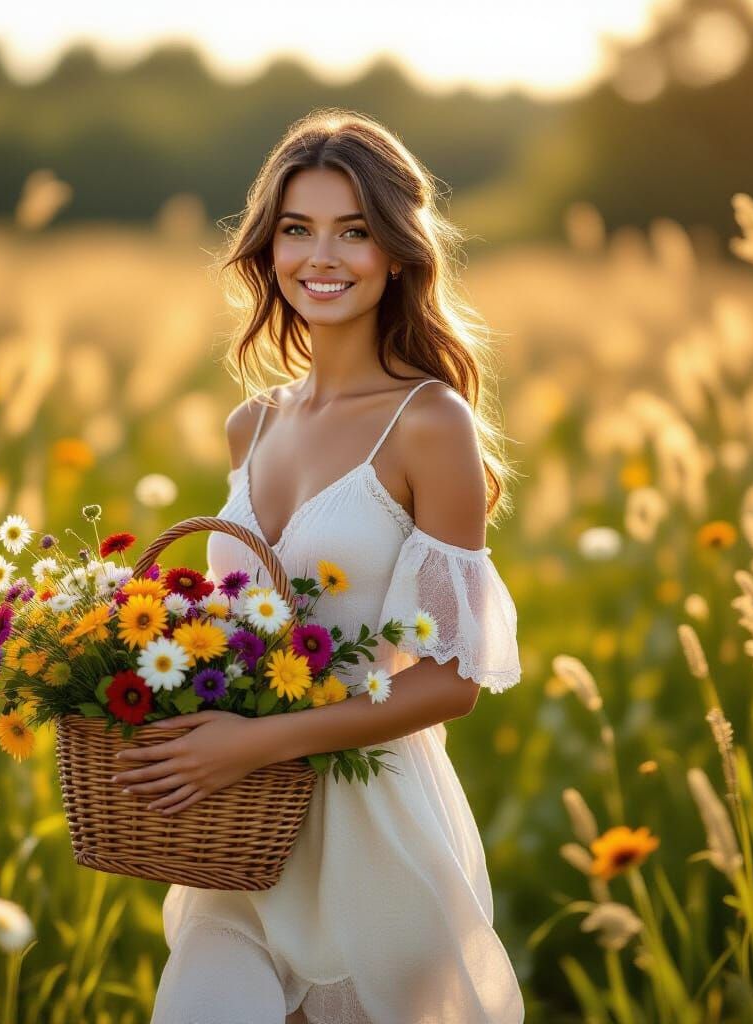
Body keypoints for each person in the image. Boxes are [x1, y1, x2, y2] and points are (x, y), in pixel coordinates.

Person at [115, 108, 525, 1023]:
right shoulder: (249, 424)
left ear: (397, 252)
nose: (321, 256)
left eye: (354, 230)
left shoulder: (429, 422)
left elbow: (453, 680)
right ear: (267, 250)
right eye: (296, 230)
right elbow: (227, 627)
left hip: (372, 834)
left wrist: (255, 742)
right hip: (240, 841)